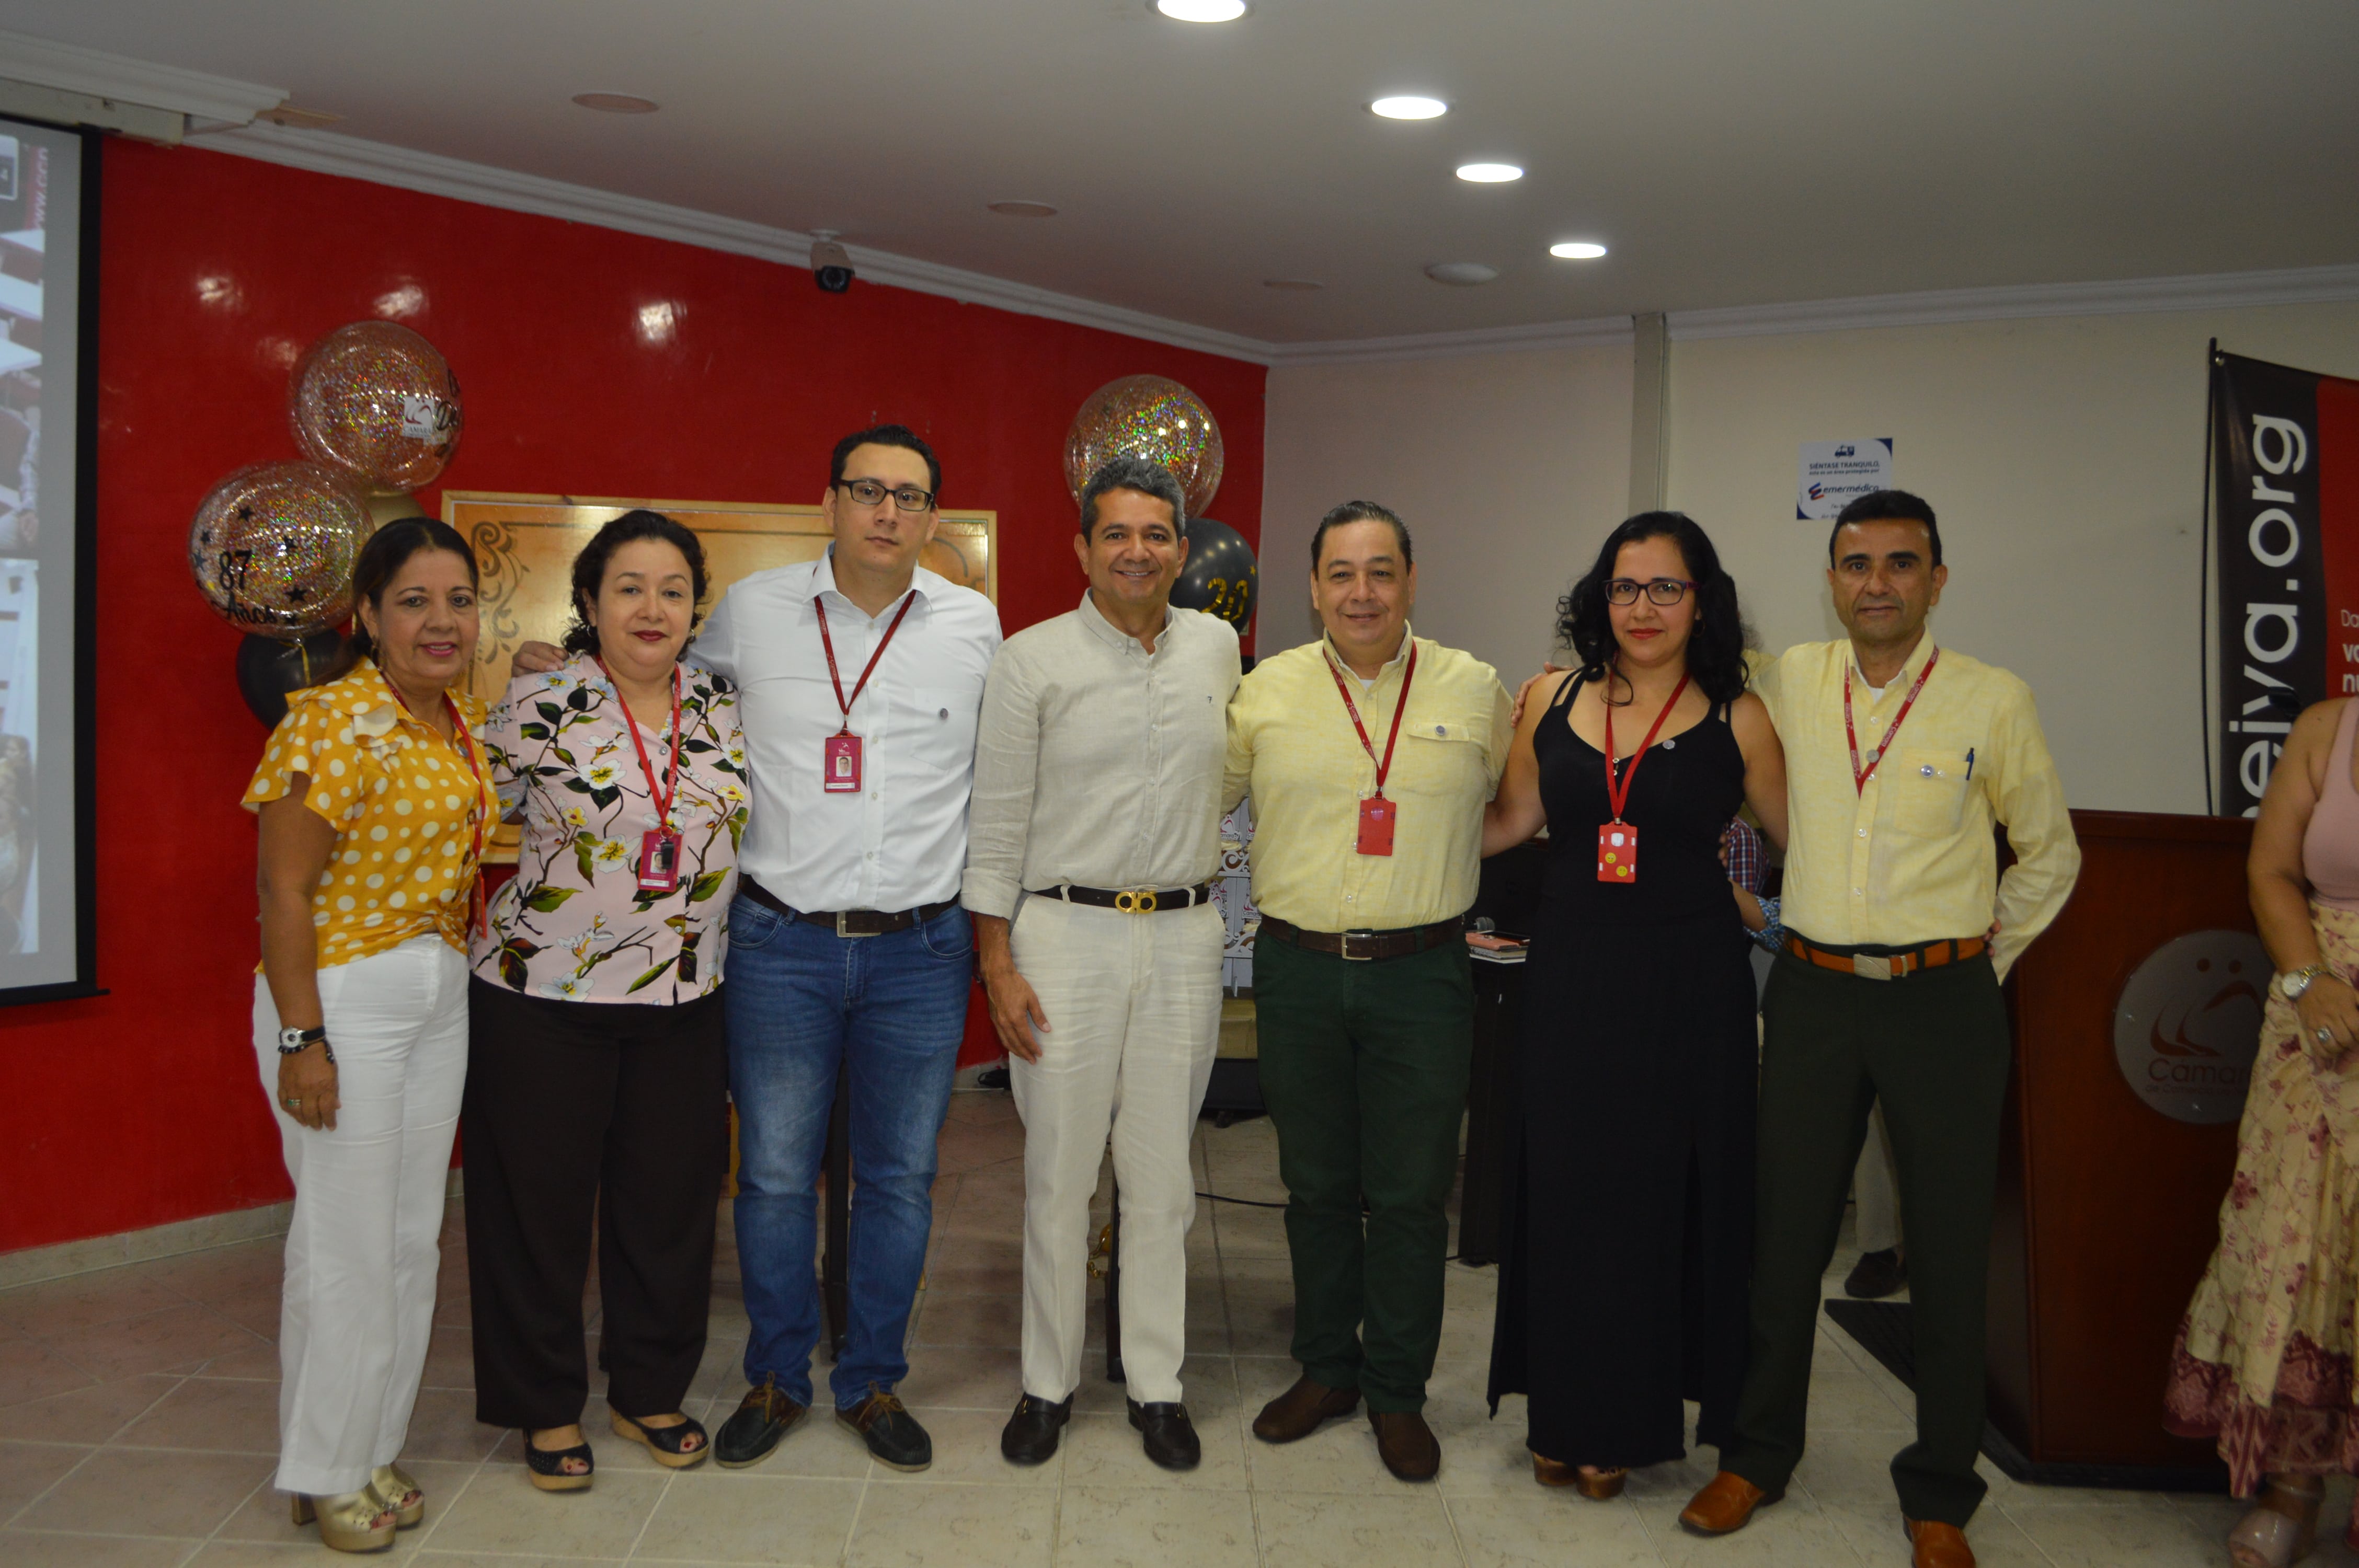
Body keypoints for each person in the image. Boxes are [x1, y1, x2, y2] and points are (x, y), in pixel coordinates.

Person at [1678, 490, 2079, 1568]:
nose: (1878, 583)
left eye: (1902, 564)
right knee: (1785, 1239)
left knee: (1949, 1252)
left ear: (1937, 581)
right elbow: (1699, 751)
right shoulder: (1786, 682)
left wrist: (1976, 964)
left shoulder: (1993, 700)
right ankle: (1756, 1456)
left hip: (1944, 1001)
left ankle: (1942, 1489)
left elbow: (2051, 855)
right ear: (1832, 579)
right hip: (1810, 991)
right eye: (1857, 564)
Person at [697, 425, 998, 1471]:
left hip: (922, 947)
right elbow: (670, 704)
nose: (886, 511)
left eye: (909, 497)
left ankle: (870, 1381)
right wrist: (572, 665)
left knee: (901, 1181)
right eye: (867, 490)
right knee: (775, 1177)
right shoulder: (752, 613)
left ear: (931, 519)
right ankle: (779, 1376)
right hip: (781, 940)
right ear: (829, 500)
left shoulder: (974, 626)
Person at [1480, 512, 1787, 1496]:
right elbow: (1515, 819)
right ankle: (1562, 1411)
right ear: (1598, 597)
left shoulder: (1739, 718)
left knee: (1660, 1198)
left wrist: (1765, 909)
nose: (1642, 608)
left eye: (1666, 588)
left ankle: (1624, 1422)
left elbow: (1809, 849)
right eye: (1625, 587)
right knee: (1567, 1188)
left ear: (1703, 601)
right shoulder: (1548, 698)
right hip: (1571, 973)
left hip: (1689, 986)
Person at [1222, 500, 1514, 1482]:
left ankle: (1396, 1390)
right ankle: (1327, 1370)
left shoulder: (1475, 689)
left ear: (1411, 580)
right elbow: (1207, 800)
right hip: (1298, 968)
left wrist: (1440, 861)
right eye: (1341, 573)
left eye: (1380, 571)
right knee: (1313, 1186)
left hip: (1425, 972)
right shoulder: (1262, 691)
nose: (1361, 592)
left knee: (1409, 1197)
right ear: (1312, 588)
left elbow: (1511, 810)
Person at [966, 457, 1242, 1471]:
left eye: (1156, 534)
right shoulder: (1029, 662)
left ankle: (1158, 1386)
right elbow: (994, 826)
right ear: (1081, 549)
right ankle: (1047, 1383)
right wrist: (996, 963)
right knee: (1059, 1174)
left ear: (1182, 547)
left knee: (1164, 1177)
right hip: (1062, 935)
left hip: (1182, 935)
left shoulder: (1219, 648)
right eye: (1115, 534)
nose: (1137, 550)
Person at [463, 511, 747, 1490]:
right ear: (589, 603)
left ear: (695, 609)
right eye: (629, 587)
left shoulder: (722, 704)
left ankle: (647, 1389)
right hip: (542, 999)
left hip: (684, 996)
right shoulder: (543, 699)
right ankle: (543, 1406)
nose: (652, 607)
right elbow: (458, 808)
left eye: (673, 590)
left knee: (667, 1207)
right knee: (536, 1214)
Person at [244, 519, 497, 1552]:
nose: (441, 623)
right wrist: (304, 1038)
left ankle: (369, 1448)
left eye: (458, 601)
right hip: (341, 999)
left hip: (438, 993)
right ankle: (322, 1467)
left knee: (406, 1241)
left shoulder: (457, 725)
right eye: (414, 602)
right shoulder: (328, 724)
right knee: (344, 1244)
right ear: (367, 616)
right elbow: (283, 890)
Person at [2166, 692, 2359, 1566]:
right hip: (2320, 1020)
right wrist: (2311, 979)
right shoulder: (2329, 730)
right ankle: (2297, 1484)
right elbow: (2273, 871)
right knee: (2298, 1248)